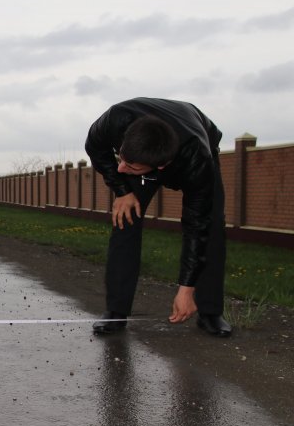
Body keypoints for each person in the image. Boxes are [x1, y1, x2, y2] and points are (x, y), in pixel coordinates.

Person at [85, 97, 231, 337]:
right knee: (125, 218)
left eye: (130, 167)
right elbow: (95, 148)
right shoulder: (116, 119)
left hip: (197, 145)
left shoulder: (198, 160)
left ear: (159, 167)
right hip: (145, 144)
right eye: (121, 157)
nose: (121, 168)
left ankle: (210, 312)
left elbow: (197, 226)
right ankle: (116, 312)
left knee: (212, 227)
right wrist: (123, 190)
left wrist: (186, 290)